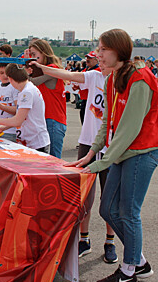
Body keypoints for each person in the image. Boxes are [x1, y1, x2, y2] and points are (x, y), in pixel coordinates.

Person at [72, 28, 158, 282]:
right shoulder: (111, 79)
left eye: (103, 49)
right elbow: (107, 123)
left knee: (128, 212)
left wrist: (101, 162)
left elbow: (128, 130)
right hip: (122, 153)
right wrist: (91, 152)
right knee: (107, 209)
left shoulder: (141, 79)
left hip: (141, 153)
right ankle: (139, 261)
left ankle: (128, 271)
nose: (97, 54)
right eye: (98, 49)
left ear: (118, 51)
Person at [30, 61, 118, 263]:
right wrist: (41, 67)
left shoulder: (121, 84)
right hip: (88, 143)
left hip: (110, 146)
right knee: (84, 196)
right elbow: (67, 75)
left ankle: (110, 242)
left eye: (104, 60)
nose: (101, 64)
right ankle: (84, 240)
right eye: (100, 61)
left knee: (109, 198)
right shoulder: (94, 77)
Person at [0, 63, 50, 152]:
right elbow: (22, 118)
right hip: (30, 141)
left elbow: (18, 120)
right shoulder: (26, 90)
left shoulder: (27, 92)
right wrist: (3, 127)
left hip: (36, 142)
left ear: (11, 79)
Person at [28, 39, 66, 158]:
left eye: (34, 55)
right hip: (49, 119)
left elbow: (32, 81)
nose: (32, 58)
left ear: (44, 52)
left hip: (53, 120)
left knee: (53, 160)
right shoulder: (46, 69)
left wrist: (25, 65)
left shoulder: (51, 68)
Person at [0, 63, 19, 141]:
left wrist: (0, 106)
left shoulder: (14, 87)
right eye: (1, 73)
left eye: (7, 73)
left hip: (10, 131)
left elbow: (18, 110)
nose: (5, 76)